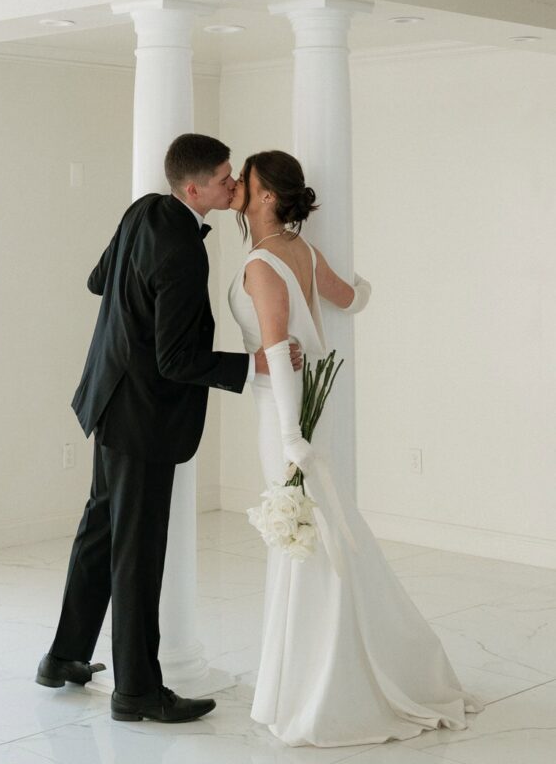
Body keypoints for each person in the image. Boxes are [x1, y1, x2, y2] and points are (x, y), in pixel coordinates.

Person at [36, 134, 301, 724]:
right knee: (136, 551)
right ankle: (136, 691)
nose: (234, 186)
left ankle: (63, 657)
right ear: (195, 188)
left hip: (108, 398)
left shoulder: (143, 211)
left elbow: (99, 280)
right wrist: (252, 365)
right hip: (142, 418)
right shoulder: (183, 248)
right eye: (225, 179)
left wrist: (134, 308)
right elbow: (177, 360)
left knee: (101, 530)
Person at [228, 149, 485, 747]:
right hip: (318, 406)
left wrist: (290, 438)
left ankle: (315, 685)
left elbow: (277, 353)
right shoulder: (303, 251)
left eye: (247, 177)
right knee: (318, 531)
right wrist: (364, 275)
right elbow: (353, 299)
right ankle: (317, 671)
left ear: (267, 196)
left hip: (286, 411)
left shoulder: (263, 264)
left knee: (301, 534)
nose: (237, 182)